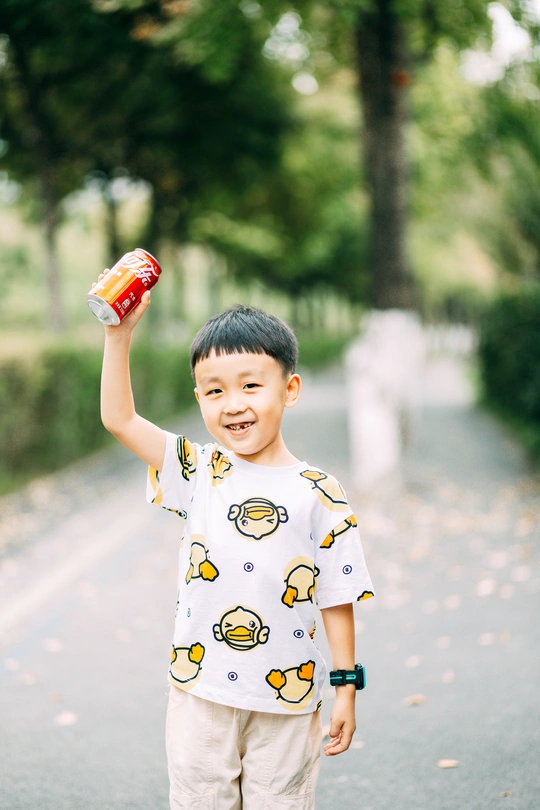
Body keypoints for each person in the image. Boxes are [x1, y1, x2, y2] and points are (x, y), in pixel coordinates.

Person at [99, 287, 374, 810]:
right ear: (199, 398)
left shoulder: (321, 491)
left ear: (289, 389)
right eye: (214, 391)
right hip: (200, 695)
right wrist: (118, 335)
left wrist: (346, 687)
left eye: (251, 385)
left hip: (288, 700)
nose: (234, 404)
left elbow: (338, 593)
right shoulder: (197, 470)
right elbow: (120, 419)